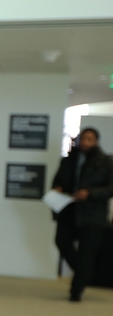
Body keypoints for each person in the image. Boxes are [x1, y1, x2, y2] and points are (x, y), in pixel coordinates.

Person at [51, 127, 113, 302]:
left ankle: (75, 292)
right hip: (69, 210)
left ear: (96, 142)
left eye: (89, 139)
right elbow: (57, 179)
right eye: (83, 139)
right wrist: (58, 187)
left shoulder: (106, 162)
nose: (85, 142)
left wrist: (90, 193)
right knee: (61, 241)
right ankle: (85, 273)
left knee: (87, 253)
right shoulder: (68, 160)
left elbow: (110, 188)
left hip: (93, 214)